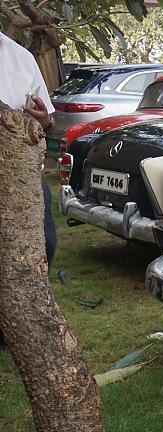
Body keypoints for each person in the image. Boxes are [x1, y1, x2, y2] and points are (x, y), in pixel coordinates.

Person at [0, 31, 57, 265]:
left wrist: (44, 120)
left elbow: (48, 123)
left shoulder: (21, 56)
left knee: (46, 245)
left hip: (24, 179)